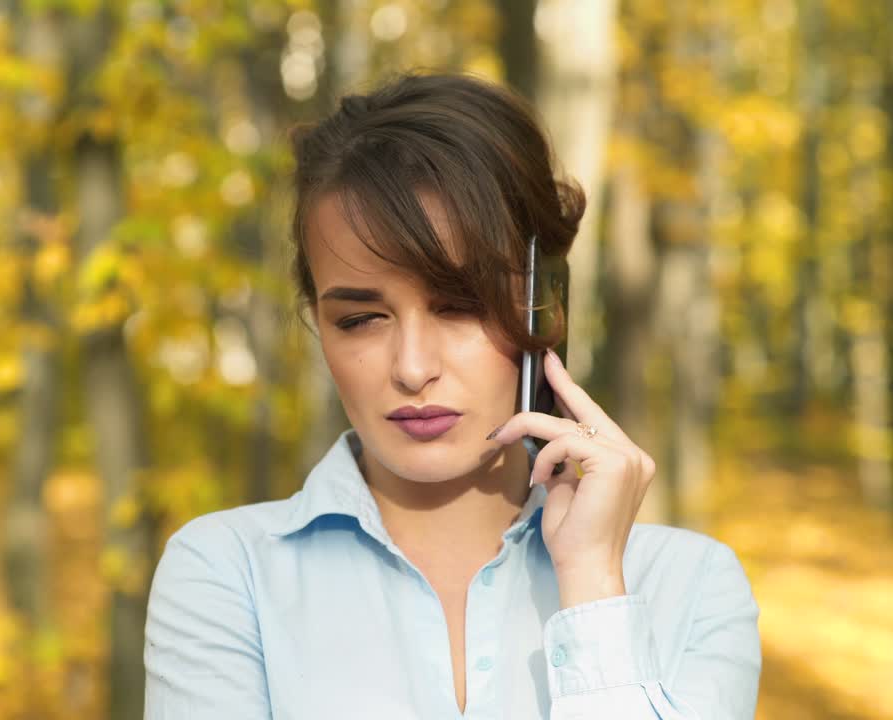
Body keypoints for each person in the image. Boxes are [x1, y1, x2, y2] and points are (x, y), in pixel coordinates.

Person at [142, 70, 761, 719]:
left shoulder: (689, 586)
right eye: (360, 320)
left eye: (462, 307)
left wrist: (594, 592)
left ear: (546, 303)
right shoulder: (224, 574)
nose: (412, 368)